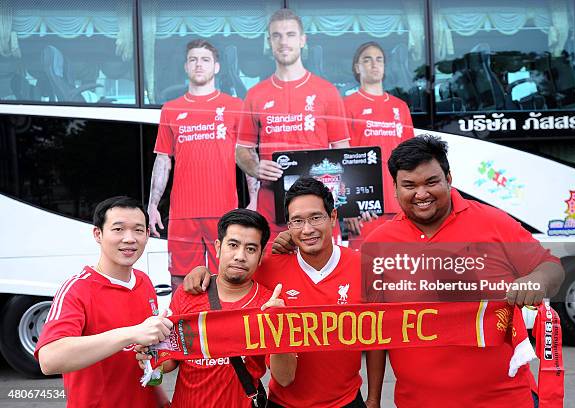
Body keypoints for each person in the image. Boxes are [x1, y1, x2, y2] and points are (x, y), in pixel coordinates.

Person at [364, 135, 565, 408]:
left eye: (431, 182)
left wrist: (536, 280)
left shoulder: (494, 223)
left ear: (449, 178)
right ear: (395, 187)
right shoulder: (378, 243)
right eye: (409, 185)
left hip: (503, 399)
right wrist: (373, 400)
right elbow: (376, 329)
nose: (421, 194)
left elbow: (551, 267)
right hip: (417, 402)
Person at [185, 178, 381, 408]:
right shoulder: (269, 267)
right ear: (288, 226)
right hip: (283, 403)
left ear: (333, 217)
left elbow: (378, 337)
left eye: (315, 218)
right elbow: (233, 277)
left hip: (347, 401)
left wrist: (374, 398)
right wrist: (202, 271)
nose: (307, 229)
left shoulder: (365, 268)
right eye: (297, 221)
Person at [137, 208, 296, 407]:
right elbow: (172, 361)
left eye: (251, 249)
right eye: (233, 245)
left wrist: (280, 329)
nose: (240, 256)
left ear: (261, 255)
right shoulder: (189, 293)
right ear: (218, 247)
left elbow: (285, 378)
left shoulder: (268, 304)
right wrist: (151, 357)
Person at [35, 196, 173, 408]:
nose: (129, 238)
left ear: (147, 234)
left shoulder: (144, 282)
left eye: (138, 230)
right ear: (98, 234)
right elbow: (49, 359)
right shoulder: (77, 289)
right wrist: (131, 333)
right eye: (118, 229)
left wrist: (161, 399)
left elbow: (143, 358)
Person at [148, 39, 254, 291]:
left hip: (224, 211)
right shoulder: (171, 110)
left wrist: (254, 200)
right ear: (186, 66)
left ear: (216, 67)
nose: (199, 64)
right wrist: (152, 205)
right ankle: (184, 330)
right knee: (181, 280)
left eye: (205, 60)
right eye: (193, 59)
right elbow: (163, 159)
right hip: (183, 212)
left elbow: (248, 154)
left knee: (231, 276)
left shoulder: (235, 107)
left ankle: (225, 330)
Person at [235, 9, 350, 234]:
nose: (283, 41)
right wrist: (256, 167)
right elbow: (242, 151)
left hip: (319, 205)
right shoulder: (255, 94)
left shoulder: (327, 91)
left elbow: (342, 151)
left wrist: (344, 200)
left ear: (302, 40)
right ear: (269, 42)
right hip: (272, 208)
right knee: (274, 269)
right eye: (276, 35)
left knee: (320, 269)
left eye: (290, 34)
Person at [343, 41, 415, 245]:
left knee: (402, 266)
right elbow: (342, 160)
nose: (374, 64)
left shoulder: (400, 107)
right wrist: (349, 207)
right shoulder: (346, 106)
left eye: (379, 59)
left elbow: (411, 160)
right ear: (357, 67)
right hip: (366, 207)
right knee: (367, 267)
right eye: (367, 59)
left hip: (400, 202)